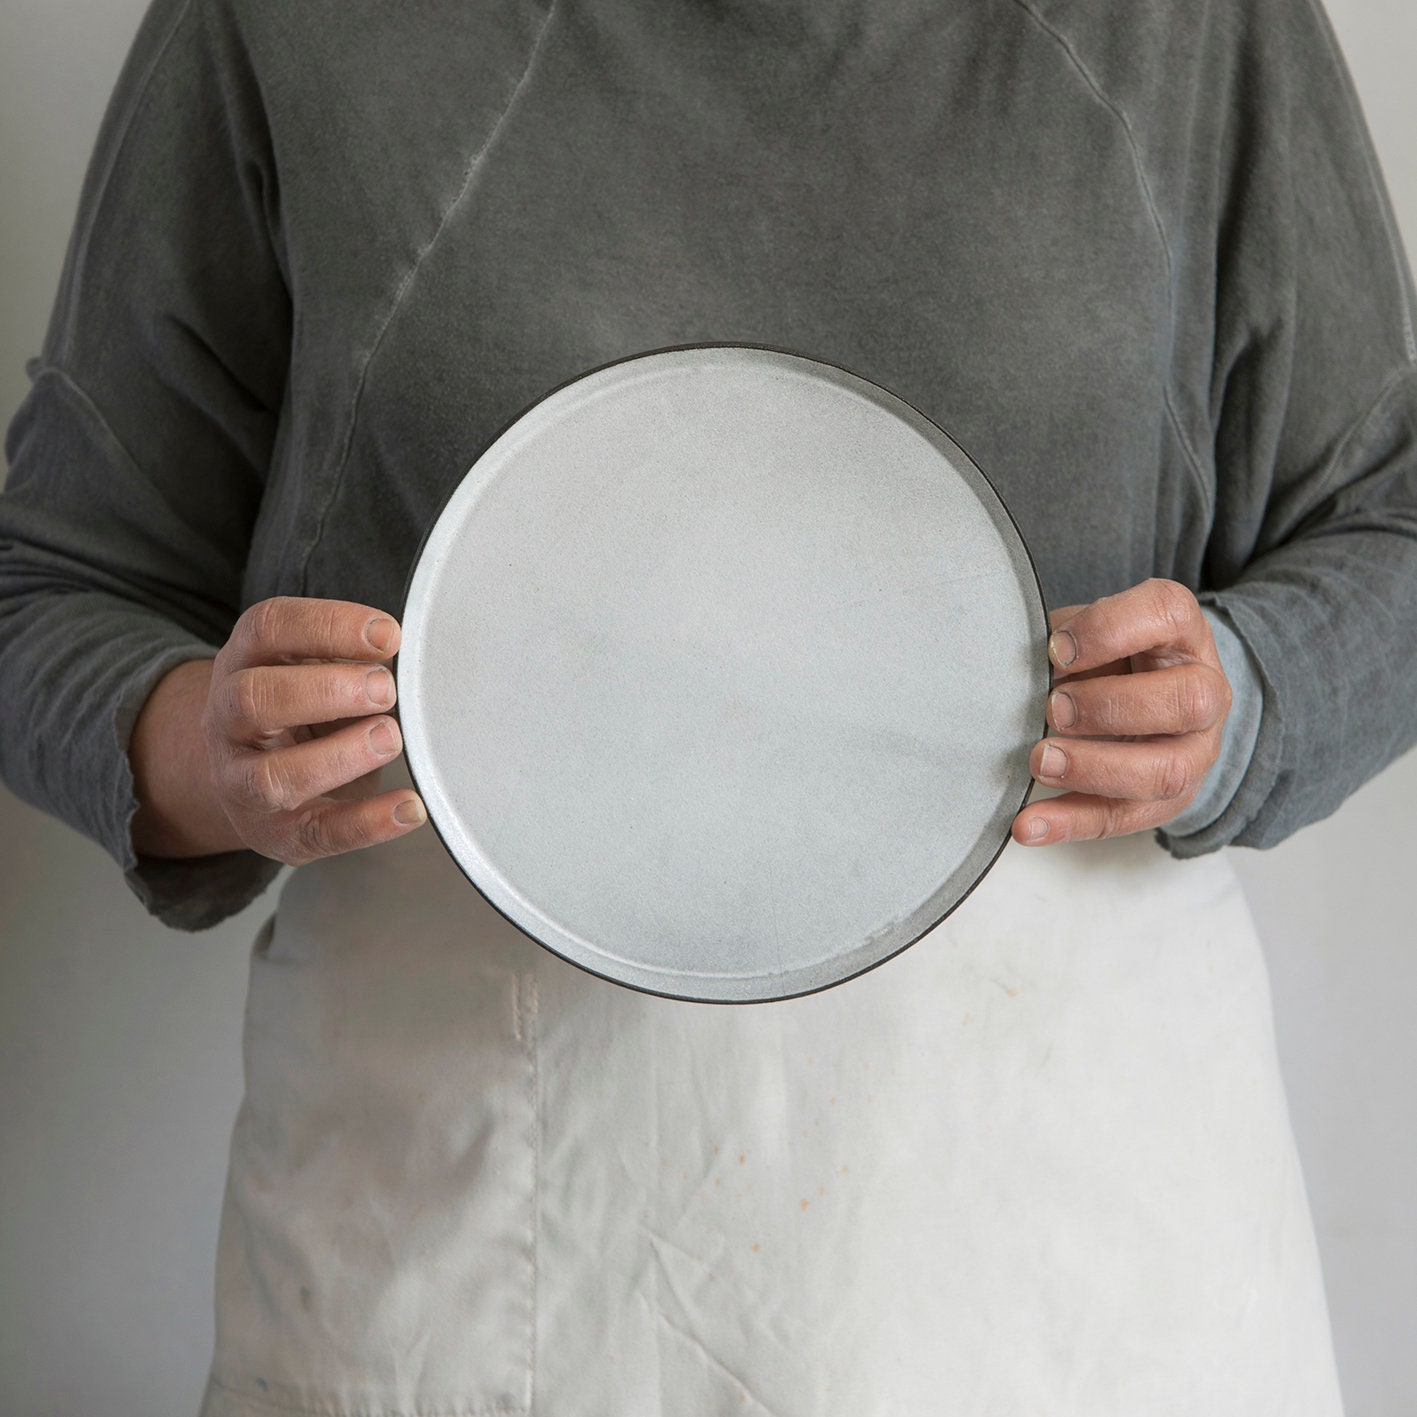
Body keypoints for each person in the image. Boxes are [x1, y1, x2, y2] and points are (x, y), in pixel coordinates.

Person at [2, 0, 1414, 1411]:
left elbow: (1389, 527)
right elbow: (51, 584)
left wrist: (1240, 700)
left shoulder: (1192, 29)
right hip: (457, 1218)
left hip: (1066, 1226)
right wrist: (208, 755)